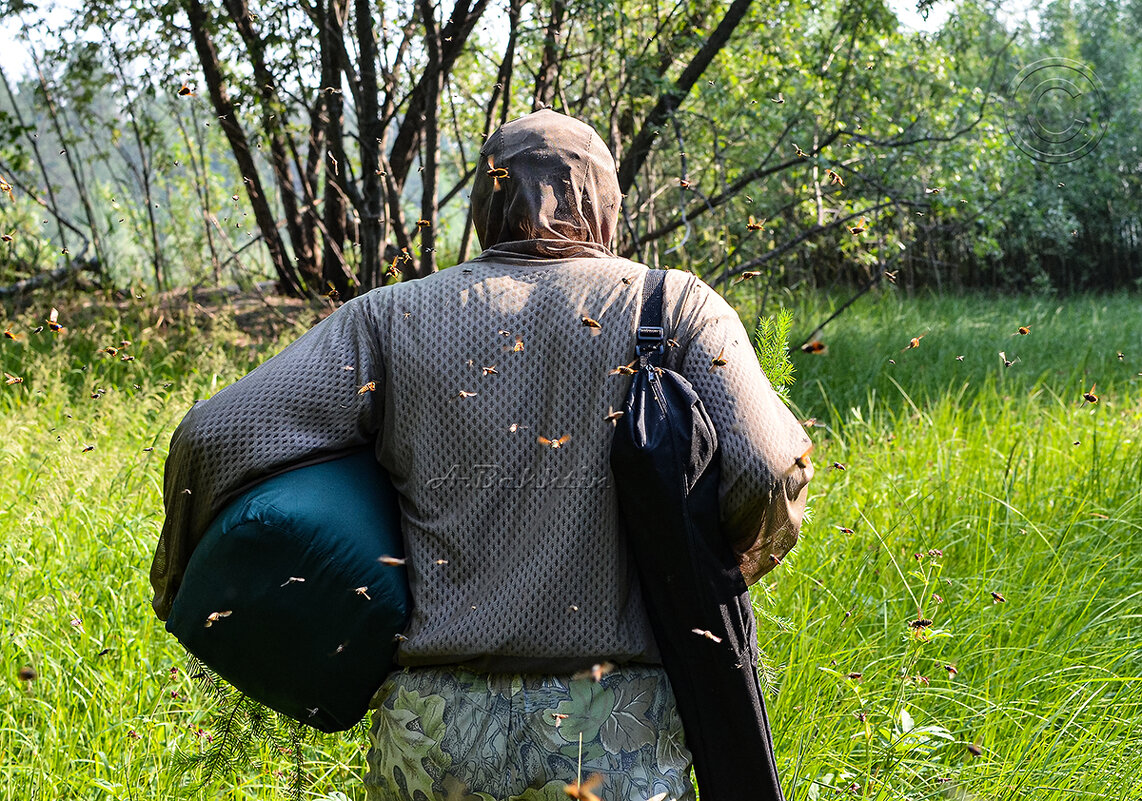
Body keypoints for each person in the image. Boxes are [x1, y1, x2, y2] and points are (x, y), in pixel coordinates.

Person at [151, 109, 813, 800]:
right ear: (607, 206)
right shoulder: (671, 306)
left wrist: (178, 577)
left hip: (438, 721)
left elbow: (213, 435)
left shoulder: (390, 317)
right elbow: (771, 469)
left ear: (485, 207)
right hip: (609, 718)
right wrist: (691, 562)